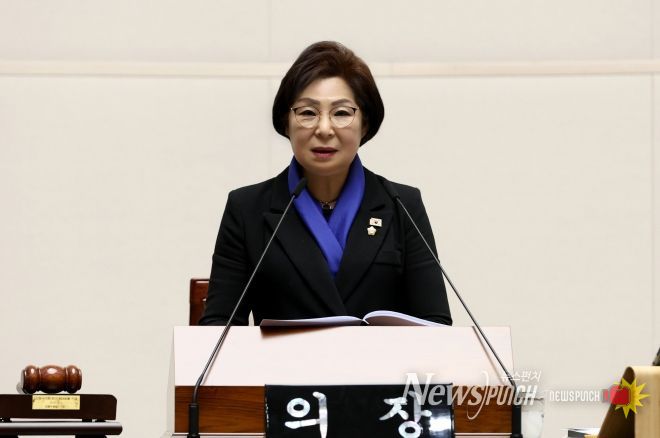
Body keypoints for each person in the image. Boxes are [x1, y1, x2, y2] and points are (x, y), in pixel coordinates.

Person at [199, 41, 452, 326]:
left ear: (365, 123)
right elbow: (218, 328)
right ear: (286, 122)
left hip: (378, 358)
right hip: (286, 358)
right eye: (307, 113)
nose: (324, 129)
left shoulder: (402, 204)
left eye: (341, 113)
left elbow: (436, 324)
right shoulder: (247, 208)